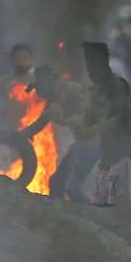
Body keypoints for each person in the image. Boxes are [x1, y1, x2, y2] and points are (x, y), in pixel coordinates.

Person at [75, 42, 131, 205]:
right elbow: (85, 125)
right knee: (98, 208)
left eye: (94, 64)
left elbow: (124, 116)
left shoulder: (118, 85)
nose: (91, 71)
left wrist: (96, 128)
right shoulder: (96, 90)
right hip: (106, 159)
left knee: (117, 211)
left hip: (122, 156)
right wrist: (91, 103)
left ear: (104, 63)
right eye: (88, 66)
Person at [19, 66, 91, 197]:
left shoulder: (71, 90)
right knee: (56, 182)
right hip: (82, 143)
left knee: (73, 189)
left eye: (39, 87)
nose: (39, 92)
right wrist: (21, 135)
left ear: (47, 82)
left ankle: (93, 216)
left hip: (94, 142)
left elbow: (91, 114)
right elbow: (41, 121)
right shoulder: (54, 98)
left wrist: (66, 120)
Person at [0, 43, 35, 131]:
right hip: (13, 131)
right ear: (13, 61)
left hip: (38, 132)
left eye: (25, 58)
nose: (22, 62)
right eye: (18, 58)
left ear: (30, 60)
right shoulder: (6, 81)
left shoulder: (36, 79)